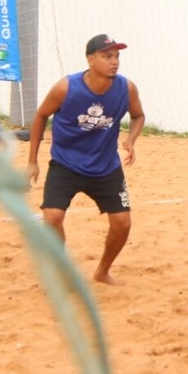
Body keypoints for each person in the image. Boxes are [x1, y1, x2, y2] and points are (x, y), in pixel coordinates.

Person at [27, 34, 146, 285]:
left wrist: (131, 140)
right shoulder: (66, 88)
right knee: (52, 218)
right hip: (66, 164)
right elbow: (40, 116)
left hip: (106, 167)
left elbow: (138, 116)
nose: (114, 62)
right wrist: (32, 161)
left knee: (123, 224)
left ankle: (102, 272)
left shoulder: (126, 89)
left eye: (116, 56)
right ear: (90, 59)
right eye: (107, 56)